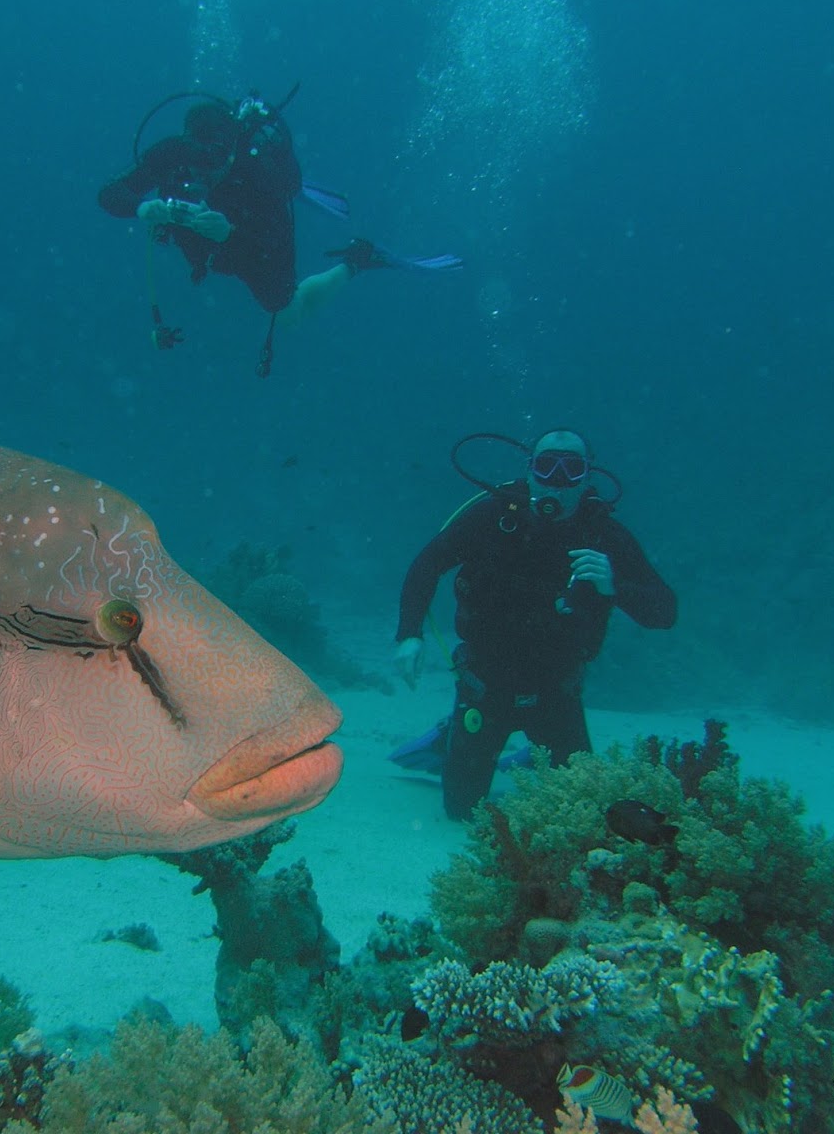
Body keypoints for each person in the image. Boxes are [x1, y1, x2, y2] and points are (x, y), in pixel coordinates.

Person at [391, 429, 677, 819]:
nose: (556, 480)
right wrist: (409, 636)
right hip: (485, 687)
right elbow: (426, 565)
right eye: (546, 466)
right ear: (530, 471)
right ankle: (451, 737)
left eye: (571, 469)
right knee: (461, 811)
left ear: (587, 478)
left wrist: (614, 587)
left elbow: (664, 612)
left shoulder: (603, 536)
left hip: (557, 692)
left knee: (584, 810)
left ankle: (529, 756)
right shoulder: (494, 517)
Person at [98, 92, 461, 375]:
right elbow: (111, 194)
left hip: (253, 229)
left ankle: (358, 260)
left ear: (231, 153)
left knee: (287, 314)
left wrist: (230, 234)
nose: (205, 177)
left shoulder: (257, 169)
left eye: (215, 166)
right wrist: (141, 207)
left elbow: (272, 244)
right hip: (206, 232)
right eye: (197, 166)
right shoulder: (171, 154)